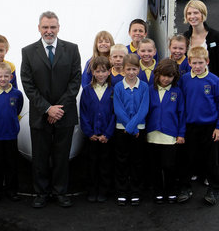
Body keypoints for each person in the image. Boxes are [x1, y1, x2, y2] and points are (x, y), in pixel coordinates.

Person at [21, 11, 81, 208]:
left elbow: (75, 81)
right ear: (39, 28)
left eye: (52, 27)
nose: (49, 31)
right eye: (45, 27)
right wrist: (48, 109)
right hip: (40, 114)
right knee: (40, 156)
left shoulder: (72, 50)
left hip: (64, 114)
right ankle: (41, 193)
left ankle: (60, 191)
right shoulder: (28, 52)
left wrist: (58, 109)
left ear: (58, 28)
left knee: (62, 156)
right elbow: (28, 84)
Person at [177, 46, 219, 206]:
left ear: (207, 62)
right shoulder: (184, 80)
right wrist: (181, 129)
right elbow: (182, 105)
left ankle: (214, 188)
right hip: (190, 126)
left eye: (201, 63)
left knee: (211, 160)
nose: (197, 66)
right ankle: (185, 187)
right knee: (187, 158)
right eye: (194, 63)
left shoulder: (214, 80)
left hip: (209, 127)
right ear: (189, 62)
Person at [146, 58, 185, 204]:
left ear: (174, 77)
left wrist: (181, 134)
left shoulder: (177, 92)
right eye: (163, 75)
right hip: (152, 135)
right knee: (155, 166)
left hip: (170, 136)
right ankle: (158, 191)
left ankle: (171, 190)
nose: (166, 79)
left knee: (169, 166)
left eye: (169, 76)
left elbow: (182, 114)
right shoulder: (150, 90)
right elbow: (146, 112)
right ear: (158, 74)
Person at [113, 53, 149, 206]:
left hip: (138, 130)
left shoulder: (144, 86)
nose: (131, 72)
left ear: (139, 69)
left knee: (137, 161)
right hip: (122, 129)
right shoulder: (119, 87)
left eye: (134, 69)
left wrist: (133, 128)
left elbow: (143, 109)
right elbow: (118, 109)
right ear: (123, 70)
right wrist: (129, 127)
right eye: (128, 69)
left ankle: (135, 191)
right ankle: (121, 191)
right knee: (122, 161)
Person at [80, 56, 116, 203]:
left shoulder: (113, 90)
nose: (101, 74)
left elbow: (115, 114)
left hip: (106, 136)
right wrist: (89, 133)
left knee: (105, 164)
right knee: (92, 164)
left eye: (104, 71)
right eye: (97, 71)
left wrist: (107, 134)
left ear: (109, 72)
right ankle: (92, 189)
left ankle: (104, 190)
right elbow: (83, 113)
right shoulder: (87, 91)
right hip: (92, 136)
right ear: (93, 72)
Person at [0, 62, 24, 203]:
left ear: (11, 77)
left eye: (6, 76)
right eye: (0, 76)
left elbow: (18, 109)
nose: (3, 79)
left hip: (11, 134)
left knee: (11, 164)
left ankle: (12, 190)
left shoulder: (17, 94)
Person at [183, 0, 219, 91]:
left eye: (196, 13)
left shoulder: (215, 36)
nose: (192, 16)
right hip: (191, 86)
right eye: (189, 13)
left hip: (212, 86)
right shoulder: (185, 37)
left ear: (203, 14)